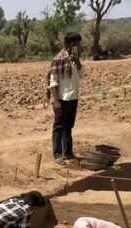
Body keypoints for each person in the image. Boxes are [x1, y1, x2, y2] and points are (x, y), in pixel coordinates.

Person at [48, 32, 82, 165]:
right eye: (78, 43)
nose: (79, 46)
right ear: (72, 44)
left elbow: (82, 73)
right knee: (59, 126)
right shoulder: (59, 59)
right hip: (62, 98)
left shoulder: (74, 59)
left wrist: (77, 61)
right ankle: (57, 154)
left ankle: (67, 152)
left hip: (73, 97)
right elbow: (53, 82)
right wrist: (56, 101)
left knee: (69, 126)